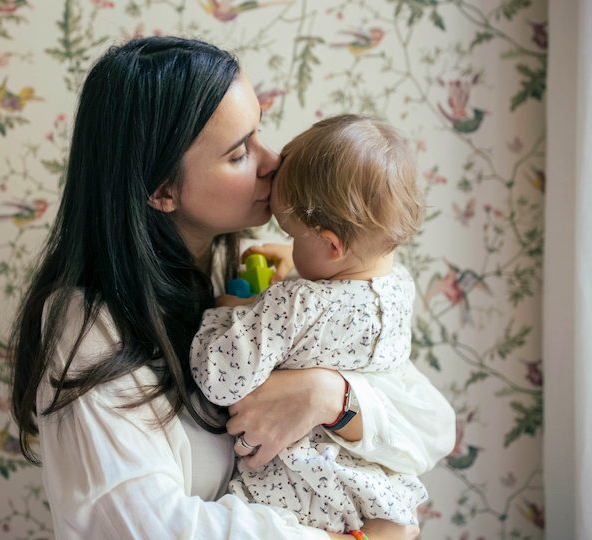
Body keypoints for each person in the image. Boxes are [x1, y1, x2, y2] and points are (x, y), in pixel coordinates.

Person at [10, 36, 422, 540]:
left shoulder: (248, 282)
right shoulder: (87, 325)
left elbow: (433, 426)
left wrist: (327, 396)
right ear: (162, 190)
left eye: (260, 134)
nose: (272, 161)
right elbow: (152, 527)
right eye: (238, 152)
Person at [191, 115, 456, 535]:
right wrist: (297, 260)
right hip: (374, 494)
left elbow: (219, 377)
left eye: (293, 235)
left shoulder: (297, 304)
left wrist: (228, 311)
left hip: (300, 494)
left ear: (332, 245)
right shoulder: (397, 289)